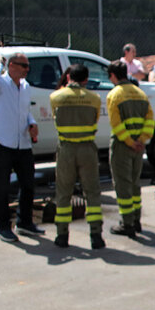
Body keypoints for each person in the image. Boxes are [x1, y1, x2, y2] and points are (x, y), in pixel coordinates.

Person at [0, 51, 40, 243]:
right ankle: (3, 227)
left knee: (28, 184)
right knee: (2, 187)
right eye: (23, 66)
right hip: (3, 142)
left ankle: (24, 222)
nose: (27, 69)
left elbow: (25, 112)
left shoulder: (25, 86)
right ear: (12, 66)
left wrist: (32, 124)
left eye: (27, 66)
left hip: (22, 143)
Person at [49, 64, 105, 249]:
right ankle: (96, 236)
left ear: (67, 78)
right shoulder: (94, 98)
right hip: (87, 148)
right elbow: (94, 120)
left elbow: (54, 118)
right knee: (92, 193)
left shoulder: (56, 97)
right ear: (86, 79)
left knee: (64, 193)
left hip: (66, 149)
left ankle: (62, 235)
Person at [105, 59, 154, 237]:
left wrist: (129, 141)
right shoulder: (141, 94)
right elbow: (150, 120)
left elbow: (116, 125)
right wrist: (140, 140)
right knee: (134, 184)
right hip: (138, 148)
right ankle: (136, 220)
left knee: (123, 185)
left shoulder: (114, 95)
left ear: (112, 76)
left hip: (122, 146)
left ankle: (127, 224)